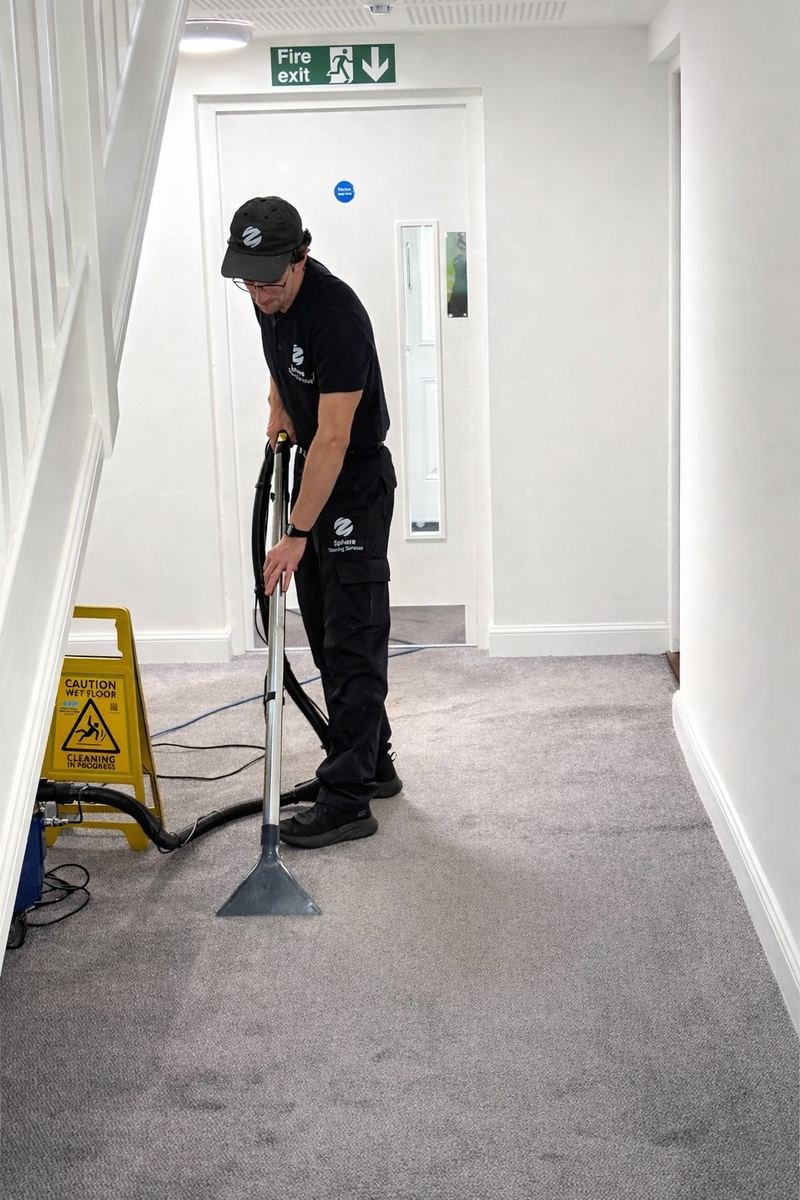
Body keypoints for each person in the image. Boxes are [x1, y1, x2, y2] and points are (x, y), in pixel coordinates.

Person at [220, 196, 401, 849]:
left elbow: (332, 439)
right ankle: (372, 760)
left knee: (353, 637)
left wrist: (295, 534)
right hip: (313, 475)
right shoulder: (266, 297)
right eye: (250, 283)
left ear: (300, 257)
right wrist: (277, 407)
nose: (261, 297)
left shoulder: (337, 316)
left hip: (350, 478)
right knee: (325, 632)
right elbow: (279, 360)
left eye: (271, 282)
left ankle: (348, 799)